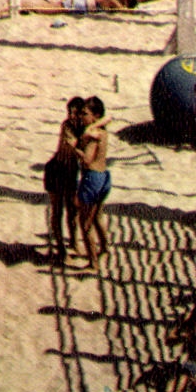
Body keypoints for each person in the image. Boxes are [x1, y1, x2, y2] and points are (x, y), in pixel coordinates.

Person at [43, 98, 86, 266]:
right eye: (69, 112)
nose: (71, 116)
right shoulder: (67, 126)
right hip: (56, 170)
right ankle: (61, 250)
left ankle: (74, 242)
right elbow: (75, 146)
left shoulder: (83, 127)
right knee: (57, 211)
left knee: (73, 210)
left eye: (75, 113)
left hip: (70, 173)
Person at [72, 97, 111, 272]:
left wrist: (75, 149)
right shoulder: (102, 131)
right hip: (104, 176)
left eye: (85, 114)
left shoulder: (93, 136)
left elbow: (87, 160)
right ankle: (104, 248)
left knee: (85, 224)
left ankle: (93, 263)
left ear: (95, 115)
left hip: (92, 178)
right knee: (97, 218)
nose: (81, 117)